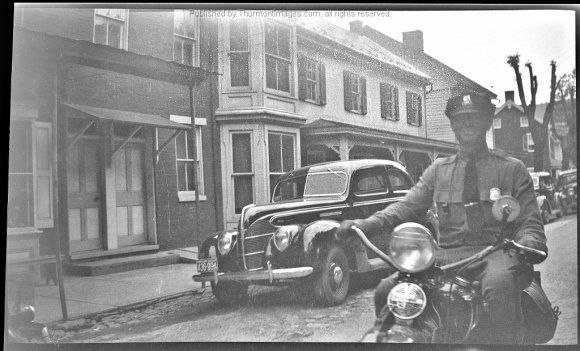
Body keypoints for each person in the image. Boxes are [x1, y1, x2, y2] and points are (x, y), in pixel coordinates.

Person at [336, 92, 548, 345]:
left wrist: (531, 241)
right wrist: (363, 225)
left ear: (487, 121)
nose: (467, 123)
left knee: (498, 288)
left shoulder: (511, 169)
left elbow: (530, 221)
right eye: (460, 119)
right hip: (445, 257)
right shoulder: (439, 170)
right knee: (386, 291)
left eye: (474, 117)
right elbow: (405, 208)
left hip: (495, 253)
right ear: (453, 125)